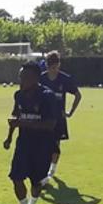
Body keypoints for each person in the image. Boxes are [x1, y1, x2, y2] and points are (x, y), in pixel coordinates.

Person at [4, 61, 59, 204]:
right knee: (16, 177)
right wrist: (9, 138)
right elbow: (15, 118)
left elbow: (50, 124)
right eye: (20, 77)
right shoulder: (18, 95)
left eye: (25, 77)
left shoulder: (47, 96)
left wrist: (23, 123)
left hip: (42, 145)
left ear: (35, 78)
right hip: (24, 143)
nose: (21, 81)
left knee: (36, 183)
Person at [38, 51, 81, 185]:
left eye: (56, 67)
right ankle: (42, 171)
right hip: (43, 119)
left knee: (55, 145)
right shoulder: (41, 78)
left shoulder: (65, 79)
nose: (54, 70)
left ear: (59, 65)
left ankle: (51, 170)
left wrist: (70, 112)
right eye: (51, 67)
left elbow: (78, 95)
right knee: (42, 145)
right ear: (47, 66)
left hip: (58, 119)